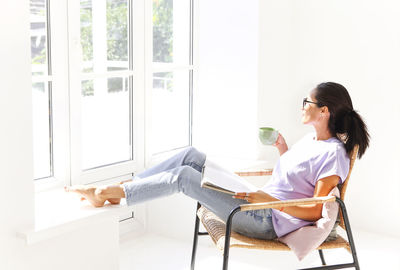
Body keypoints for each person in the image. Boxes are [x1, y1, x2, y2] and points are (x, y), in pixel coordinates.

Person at [65, 82, 369, 240]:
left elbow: (320, 208)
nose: (303, 106)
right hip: (258, 202)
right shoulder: (313, 141)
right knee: (191, 155)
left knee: (184, 177)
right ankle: (123, 187)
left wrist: (268, 200)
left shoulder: (334, 154)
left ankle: (105, 194)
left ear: (324, 111)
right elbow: (297, 177)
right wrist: (282, 148)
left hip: (267, 220)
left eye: (308, 102)